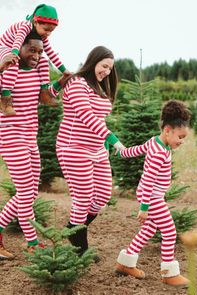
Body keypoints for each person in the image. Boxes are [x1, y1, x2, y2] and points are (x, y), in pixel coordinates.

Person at [0, 31, 69, 260]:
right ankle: (32, 243)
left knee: (28, 193)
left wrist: (60, 82)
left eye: (40, 51)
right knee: (25, 192)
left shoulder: (36, 72)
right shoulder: (9, 71)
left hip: (30, 137)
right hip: (10, 137)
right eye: (32, 50)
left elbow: (44, 96)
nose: (37, 55)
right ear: (19, 48)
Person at [56, 46, 125, 259]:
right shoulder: (77, 84)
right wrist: (113, 141)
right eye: (104, 66)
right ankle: (80, 248)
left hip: (97, 150)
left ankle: (73, 229)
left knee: (103, 194)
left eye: (110, 68)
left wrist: (102, 146)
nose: (106, 71)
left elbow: (100, 117)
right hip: (74, 148)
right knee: (83, 197)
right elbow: (87, 116)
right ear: (93, 61)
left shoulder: (99, 87)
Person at [115, 100, 191, 286]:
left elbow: (135, 150)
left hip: (149, 196)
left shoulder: (155, 142)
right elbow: (148, 179)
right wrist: (144, 208)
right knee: (170, 231)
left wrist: (121, 152)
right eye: (179, 137)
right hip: (152, 198)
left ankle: (126, 263)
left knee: (149, 229)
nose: (181, 142)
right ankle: (169, 273)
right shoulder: (159, 153)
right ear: (167, 130)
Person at [0, 3, 71, 115]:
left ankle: (44, 92)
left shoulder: (42, 36)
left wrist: (63, 70)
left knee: (43, 60)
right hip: (6, 47)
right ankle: (5, 98)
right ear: (36, 22)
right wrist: (14, 53)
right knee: (13, 63)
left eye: (51, 31)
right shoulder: (25, 26)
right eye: (46, 30)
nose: (48, 34)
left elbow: (51, 53)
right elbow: (18, 40)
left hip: (17, 48)